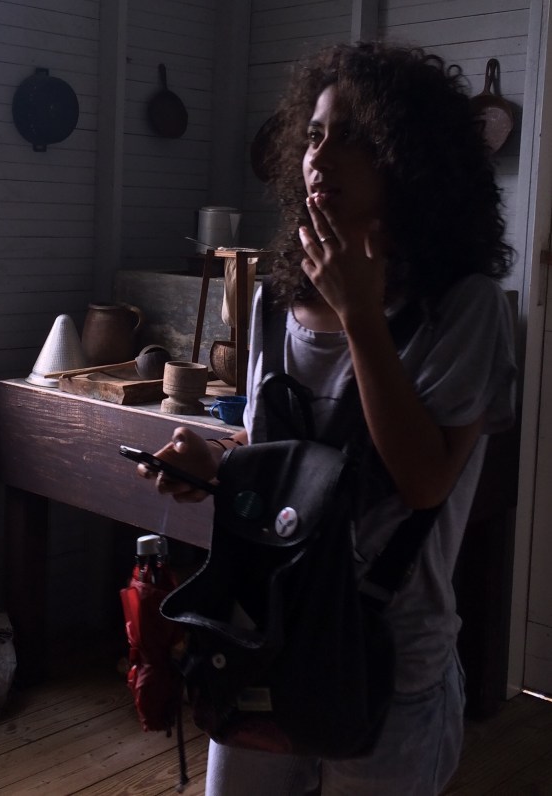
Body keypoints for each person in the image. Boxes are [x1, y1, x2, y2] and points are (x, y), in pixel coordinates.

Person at [137, 41, 517, 795]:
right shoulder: (276, 298)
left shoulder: (464, 307)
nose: (320, 156)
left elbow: (423, 482)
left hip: (392, 664)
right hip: (263, 636)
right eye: (314, 135)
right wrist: (215, 465)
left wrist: (362, 318)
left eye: (354, 137)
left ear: (412, 160)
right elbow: (273, 458)